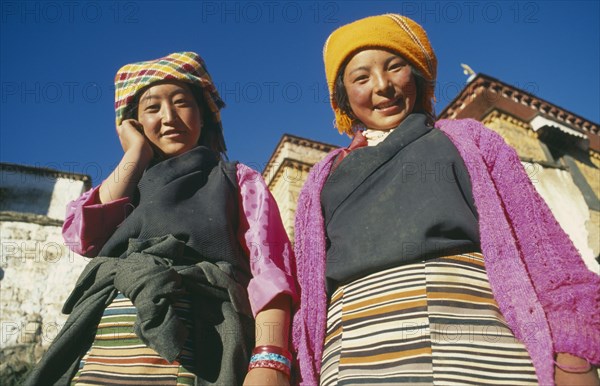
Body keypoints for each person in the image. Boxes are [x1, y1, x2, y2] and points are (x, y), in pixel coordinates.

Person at [291, 14, 599, 386]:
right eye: (361, 77)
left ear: (418, 75)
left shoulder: (469, 140)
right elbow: (309, 294)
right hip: (353, 355)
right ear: (342, 95)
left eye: (395, 67)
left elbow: (543, 249)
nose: (383, 86)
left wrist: (574, 352)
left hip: (479, 346)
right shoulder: (322, 178)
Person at [25, 52, 296, 386]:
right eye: (152, 108)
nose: (169, 117)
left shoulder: (237, 179)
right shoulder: (126, 184)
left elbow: (269, 271)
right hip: (100, 358)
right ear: (133, 123)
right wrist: (135, 154)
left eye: (182, 103)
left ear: (203, 114)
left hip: (197, 351)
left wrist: (269, 356)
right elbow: (83, 236)